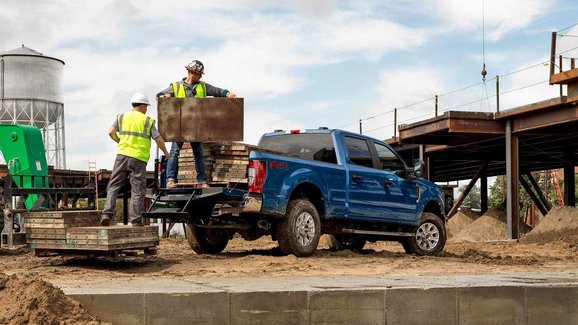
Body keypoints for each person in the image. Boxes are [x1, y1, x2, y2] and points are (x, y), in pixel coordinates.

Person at [158, 59, 237, 189]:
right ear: (191, 73)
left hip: (196, 126)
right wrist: (164, 96)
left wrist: (227, 93)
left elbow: (217, 91)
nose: (200, 76)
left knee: (198, 154)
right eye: (198, 74)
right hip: (180, 125)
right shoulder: (176, 86)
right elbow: (159, 95)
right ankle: (170, 180)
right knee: (174, 152)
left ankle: (201, 181)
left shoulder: (203, 86)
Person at [100, 92, 170, 226]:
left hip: (122, 156)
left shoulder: (121, 117)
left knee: (113, 186)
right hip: (138, 159)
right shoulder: (147, 121)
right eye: (146, 106)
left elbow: (110, 131)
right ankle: (136, 220)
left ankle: (107, 214)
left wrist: (119, 141)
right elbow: (158, 139)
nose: (146, 109)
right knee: (137, 190)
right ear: (143, 106)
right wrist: (166, 153)